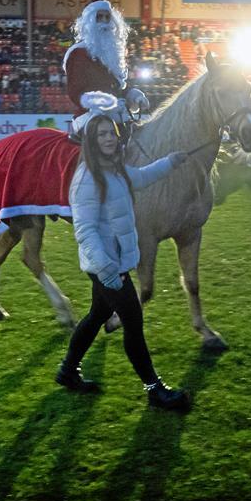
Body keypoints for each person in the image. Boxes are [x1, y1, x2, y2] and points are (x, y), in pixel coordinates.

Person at [56, 113, 189, 411]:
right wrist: (106, 269)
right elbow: (85, 230)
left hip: (112, 264)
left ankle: (68, 370)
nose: (108, 138)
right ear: (91, 140)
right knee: (133, 324)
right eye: (101, 134)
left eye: (111, 133)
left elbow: (142, 177)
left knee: (96, 316)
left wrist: (171, 161)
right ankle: (155, 390)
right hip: (107, 267)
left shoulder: (116, 171)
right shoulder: (88, 179)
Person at [62, 0, 150, 138]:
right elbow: (76, 92)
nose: (104, 22)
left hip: (117, 115)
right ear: (90, 22)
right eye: (99, 17)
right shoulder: (78, 53)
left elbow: (115, 86)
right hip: (91, 117)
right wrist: (103, 103)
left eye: (107, 17)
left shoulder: (112, 54)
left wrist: (132, 94)